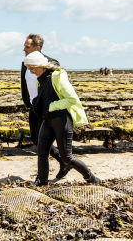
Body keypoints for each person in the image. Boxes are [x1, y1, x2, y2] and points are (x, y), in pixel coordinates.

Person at [24, 51, 101, 186]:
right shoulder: (39, 80)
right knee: (42, 153)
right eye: (29, 69)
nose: (31, 72)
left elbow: (72, 99)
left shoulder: (57, 76)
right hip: (47, 120)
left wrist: (51, 106)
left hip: (62, 120)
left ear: (40, 65)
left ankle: (91, 178)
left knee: (67, 157)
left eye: (32, 68)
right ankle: (42, 182)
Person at [21, 34, 69, 180]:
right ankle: (63, 162)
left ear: (38, 48)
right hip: (33, 106)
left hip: (47, 107)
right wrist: (28, 102)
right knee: (36, 140)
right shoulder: (25, 62)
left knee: (43, 145)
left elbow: (58, 84)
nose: (24, 48)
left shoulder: (51, 62)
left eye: (27, 46)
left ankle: (43, 176)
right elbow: (25, 84)